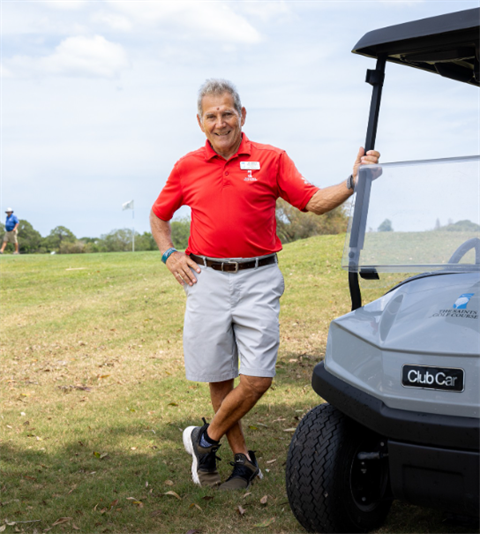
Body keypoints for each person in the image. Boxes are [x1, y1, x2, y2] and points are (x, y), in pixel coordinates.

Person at [150, 79, 380, 491]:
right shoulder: (187, 166)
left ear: (242, 115)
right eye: (212, 115)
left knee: (257, 379)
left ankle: (204, 439)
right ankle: (242, 462)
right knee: (219, 377)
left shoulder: (271, 158)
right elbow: (158, 215)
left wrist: (353, 181)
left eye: (227, 113)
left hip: (258, 277)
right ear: (200, 122)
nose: (221, 122)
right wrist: (170, 254)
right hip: (205, 279)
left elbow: (311, 200)